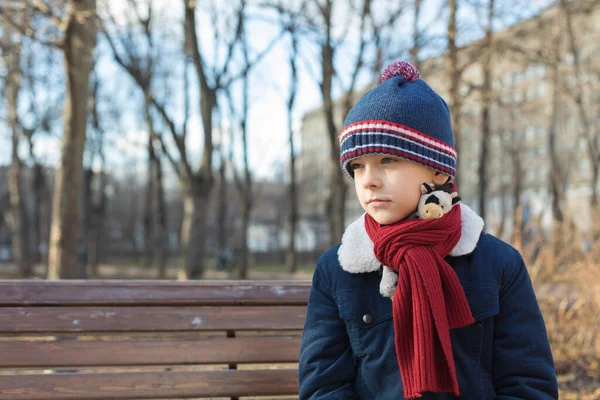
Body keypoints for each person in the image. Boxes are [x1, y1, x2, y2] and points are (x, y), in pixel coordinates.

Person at [298, 60, 558, 399]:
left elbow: (528, 384)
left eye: (387, 160)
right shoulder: (338, 269)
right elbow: (324, 386)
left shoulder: (497, 263)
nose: (369, 180)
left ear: (437, 170)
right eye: (358, 166)